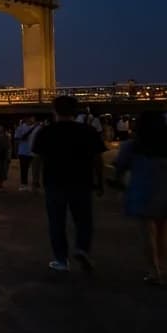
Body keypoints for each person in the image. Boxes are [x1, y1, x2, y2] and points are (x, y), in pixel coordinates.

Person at [33, 96, 107, 272]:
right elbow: (98, 159)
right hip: (82, 182)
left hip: (54, 183)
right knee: (83, 220)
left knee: (56, 222)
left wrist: (35, 182)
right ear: (75, 111)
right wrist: (100, 182)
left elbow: (38, 158)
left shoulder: (46, 132)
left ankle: (61, 260)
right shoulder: (88, 131)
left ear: (54, 110)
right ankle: (82, 248)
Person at [113, 111, 167, 284]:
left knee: (147, 233)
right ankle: (164, 268)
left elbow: (120, 167)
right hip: (165, 191)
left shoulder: (132, 146)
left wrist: (118, 183)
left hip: (143, 192)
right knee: (163, 232)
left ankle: (154, 270)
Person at [14, 116, 37, 190]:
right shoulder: (20, 128)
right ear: (27, 120)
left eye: (33, 119)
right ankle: (24, 184)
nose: (32, 121)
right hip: (23, 151)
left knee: (32, 169)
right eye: (30, 119)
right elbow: (18, 138)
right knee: (24, 168)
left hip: (33, 151)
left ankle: (31, 184)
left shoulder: (36, 128)